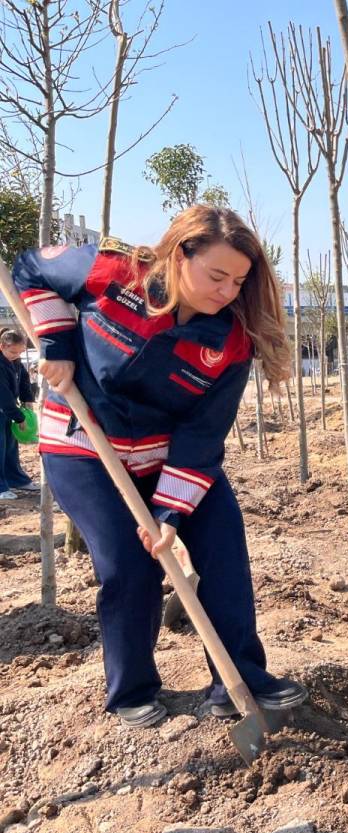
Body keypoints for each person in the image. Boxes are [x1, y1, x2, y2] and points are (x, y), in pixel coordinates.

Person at [11, 206, 308, 729]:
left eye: (237, 281)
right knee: (128, 565)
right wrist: (56, 344)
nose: (226, 291)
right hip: (85, 445)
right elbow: (31, 270)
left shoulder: (231, 341)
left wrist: (170, 513)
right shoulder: (112, 272)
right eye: (217, 275)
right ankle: (132, 688)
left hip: (168, 454)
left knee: (223, 549)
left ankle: (237, 677)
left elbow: (201, 435)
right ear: (178, 254)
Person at [0, 329, 38, 498]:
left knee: (10, 446)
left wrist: (27, 399)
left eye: (20, 352)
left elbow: (23, 379)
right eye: (13, 352)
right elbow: (3, 393)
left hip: (7, 410)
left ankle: (16, 479)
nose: (17, 355)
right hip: (4, 407)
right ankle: (1, 487)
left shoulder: (15, 361)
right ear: (2, 347)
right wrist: (18, 416)